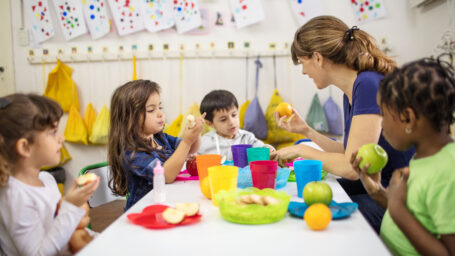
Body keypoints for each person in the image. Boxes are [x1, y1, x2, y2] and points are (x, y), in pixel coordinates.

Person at [270, 15, 415, 233]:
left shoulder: (367, 84)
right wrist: (307, 131)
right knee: (301, 203)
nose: (303, 71)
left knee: (309, 216)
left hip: (398, 200)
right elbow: (352, 153)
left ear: (317, 58)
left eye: (302, 62)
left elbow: (351, 168)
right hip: (378, 187)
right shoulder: (354, 89)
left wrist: (301, 149)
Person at [351, 56, 455, 255]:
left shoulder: (448, 172)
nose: (381, 124)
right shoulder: (424, 157)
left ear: (408, 118)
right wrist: (378, 192)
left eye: (383, 113)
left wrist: (397, 207)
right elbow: (418, 214)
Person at [0, 94, 99, 255]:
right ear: (25, 147)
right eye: (53, 132)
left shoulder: (46, 179)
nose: (62, 138)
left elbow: (58, 229)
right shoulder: (15, 196)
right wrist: (71, 206)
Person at [108, 80, 205, 211]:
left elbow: (191, 149)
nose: (160, 113)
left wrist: (196, 132)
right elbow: (166, 176)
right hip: (143, 210)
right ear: (129, 118)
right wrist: (187, 141)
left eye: (160, 107)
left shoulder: (160, 138)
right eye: (151, 110)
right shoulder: (132, 153)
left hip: (166, 202)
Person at [198, 90, 275, 161]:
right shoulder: (204, 142)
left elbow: (262, 149)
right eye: (223, 119)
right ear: (209, 123)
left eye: (234, 115)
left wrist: (268, 149)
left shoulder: (247, 138)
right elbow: (192, 162)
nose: (231, 122)